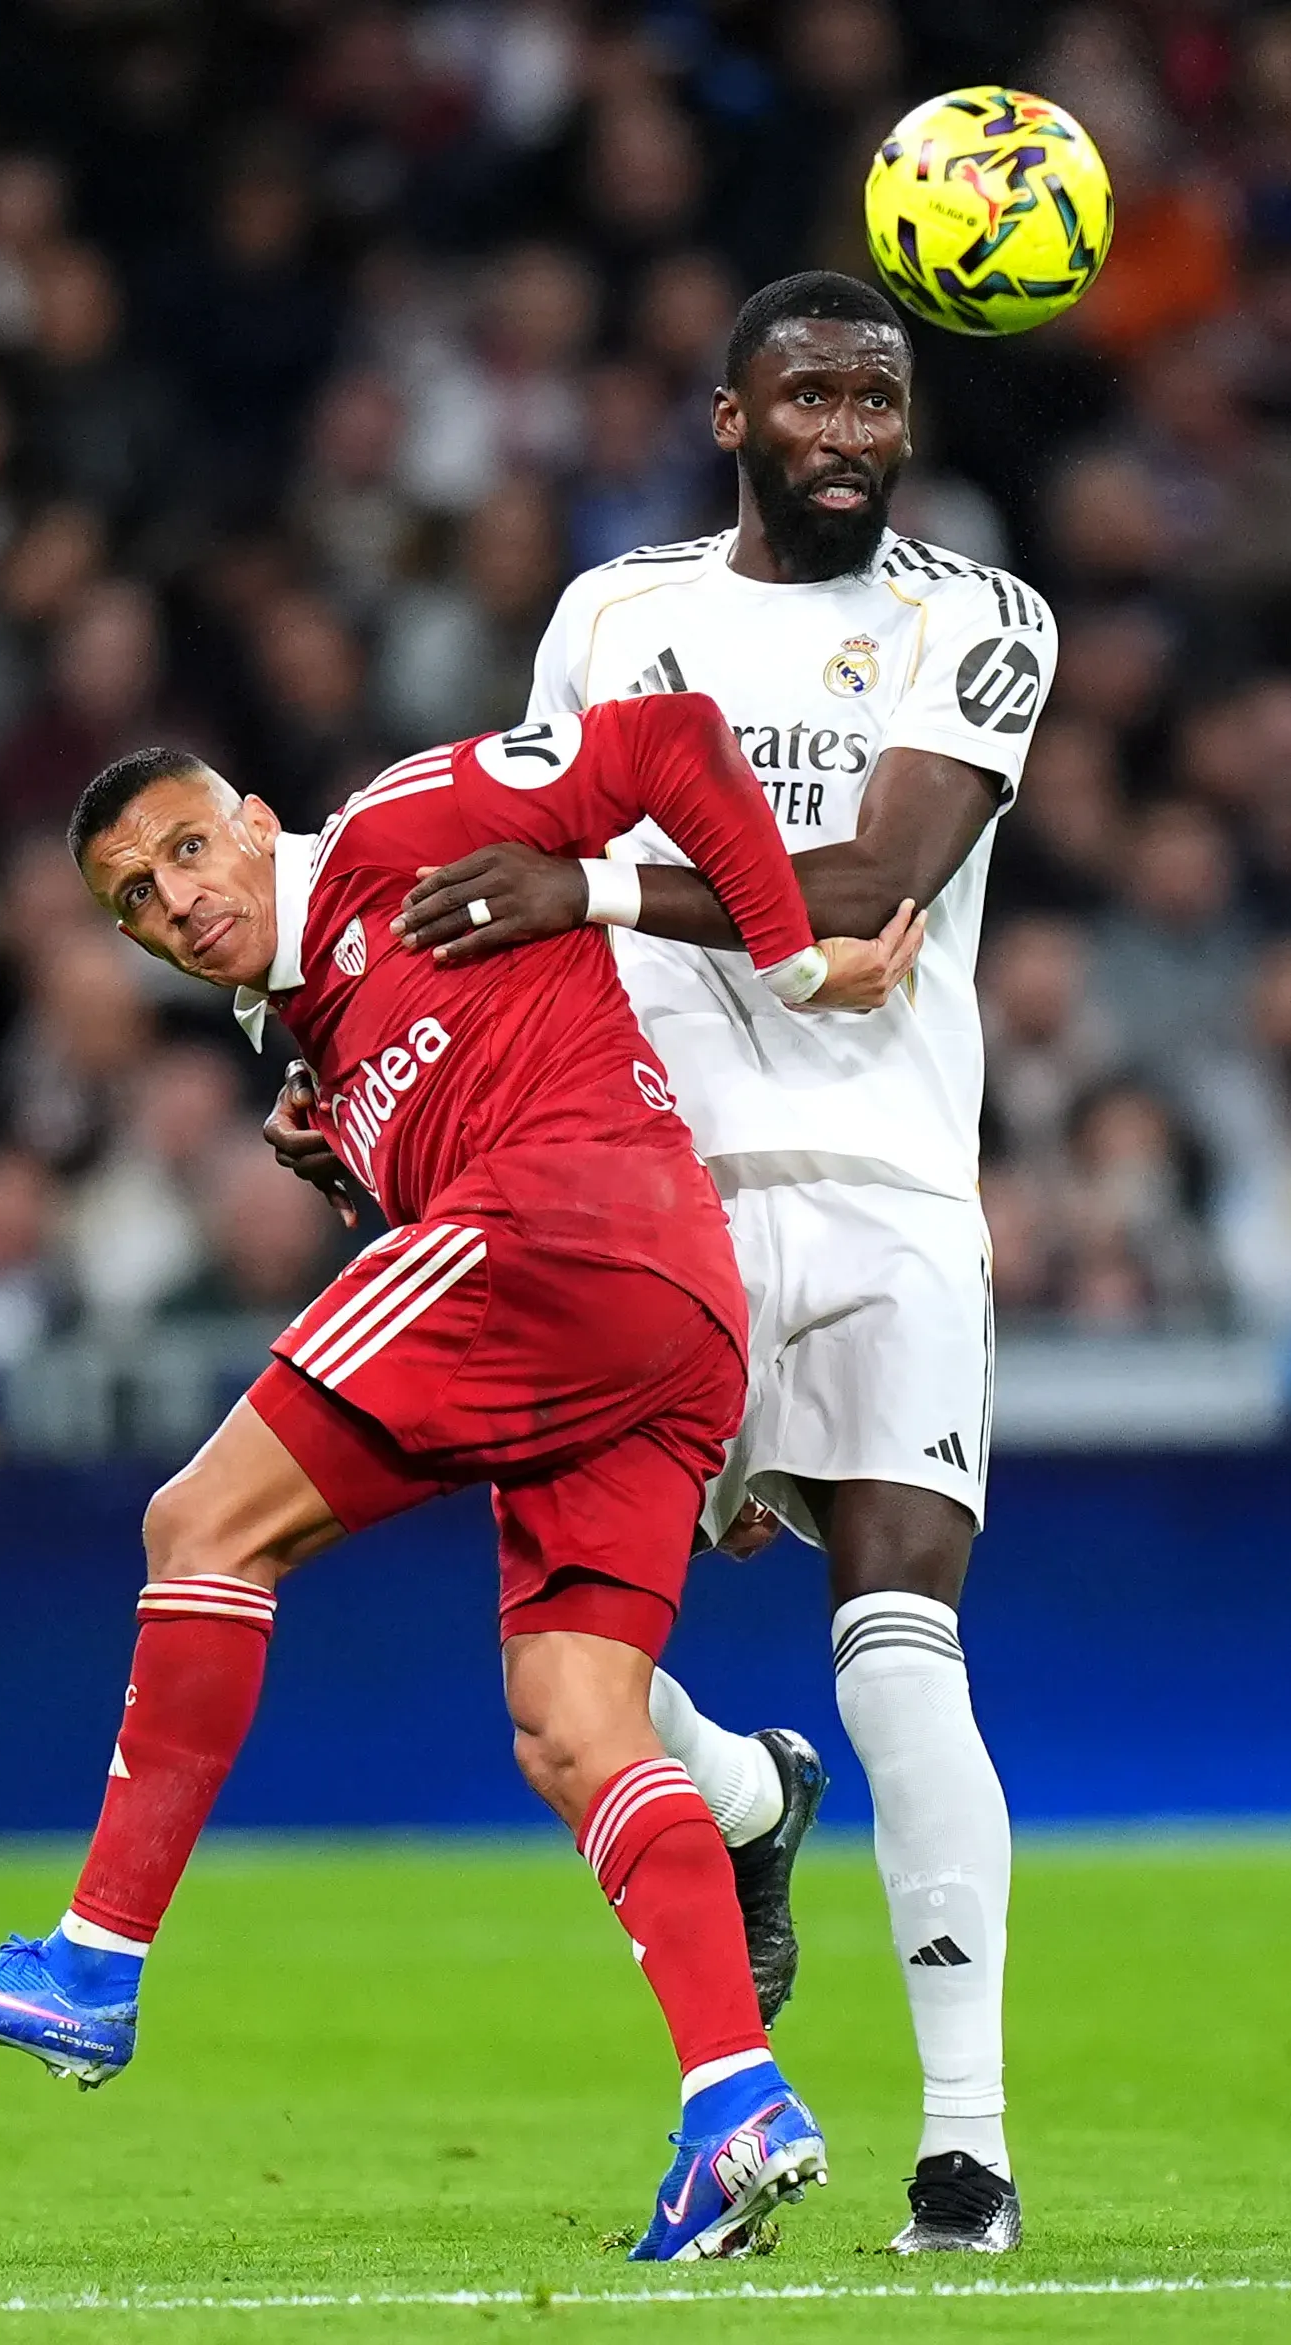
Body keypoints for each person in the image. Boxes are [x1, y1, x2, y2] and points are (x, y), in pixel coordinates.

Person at [0, 691, 906, 2263]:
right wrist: (347, 1143)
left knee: (201, 1524)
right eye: (134, 898)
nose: (175, 901)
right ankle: (734, 2108)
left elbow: (670, 738)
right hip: (660, 1315)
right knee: (573, 1726)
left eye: (187, 850)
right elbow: (464, 1065)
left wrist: (792, 959)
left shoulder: (408, 822)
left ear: (254, 820)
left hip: (559, 1232)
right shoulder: (320, 1039)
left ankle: (92, 1964)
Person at [393, 271, 1059, 2253]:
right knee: (568, 1690)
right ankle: (748, 1806)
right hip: (646, 1200)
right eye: (811, 398)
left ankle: (965, 2151)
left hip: (887, 1189)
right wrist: (360, 1063)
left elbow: (867, 884)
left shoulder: (981, 619)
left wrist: (591, 882)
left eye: (878, 399)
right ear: (729, 420)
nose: (849, 433)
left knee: (902, 1655)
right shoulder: (613, 614)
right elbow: (498, 874)